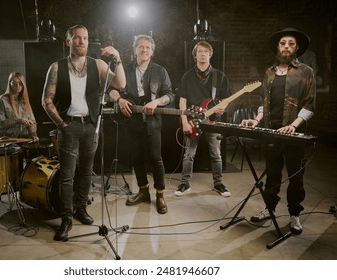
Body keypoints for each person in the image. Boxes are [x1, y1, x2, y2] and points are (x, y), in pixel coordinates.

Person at [42, 24, 126, 241]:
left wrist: (117, 58)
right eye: (77, 38)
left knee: (86, 172)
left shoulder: (96, 65)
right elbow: (46, 100)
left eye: (85, 38)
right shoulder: (57, 67)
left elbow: (120, 83)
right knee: (67, 175)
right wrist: (62, 125)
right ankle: (66, 218)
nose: (82, 42)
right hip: (68, 126)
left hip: (91, 126)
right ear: (68, 41)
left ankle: (80, 208)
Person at [241, 28, 316, 235]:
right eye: (283, 43)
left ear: (297, 47)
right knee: (272, 174)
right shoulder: (269, 72)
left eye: (291, 44)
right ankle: (270, 209)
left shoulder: (306, 72)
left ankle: (294, 215)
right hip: (271, 132)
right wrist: (256, 120)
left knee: (295, 177)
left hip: (294, 134)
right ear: (278, 46)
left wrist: (294, 125)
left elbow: (310, 104)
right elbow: (263, 102)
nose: (286, 47)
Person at [109, 34, 174, 214]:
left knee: (156, 159)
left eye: (148, 47)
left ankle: (160, 194)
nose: (144, 50)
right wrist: (120, 100)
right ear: (135, 49)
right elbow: (111, 90)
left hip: (152, 123)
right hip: (131, 121)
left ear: (152, 52)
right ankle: (143, 191)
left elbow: (170, 95)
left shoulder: (160, 71)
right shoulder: (125, 69)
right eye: (141, 46)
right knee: (136, 158)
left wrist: (156, 102)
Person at [176, 40, 231, 197]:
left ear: (210, 54)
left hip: (212, 121)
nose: (202, 54)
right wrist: (185, 121)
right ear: (195, 55)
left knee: (216, 154)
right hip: (192, 120)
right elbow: (182, 100)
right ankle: (185, 184)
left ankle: (219, 184)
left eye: (206, 51)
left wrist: (222, 107)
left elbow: (225, 99)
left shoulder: (219, 76)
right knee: (189, 155)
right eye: (199, 51)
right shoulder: (187, 76)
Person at [0, 72, 39, 141]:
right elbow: (1, 124)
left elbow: (32, 121)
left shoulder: (24, 101)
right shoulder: (2, 100)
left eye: (20, 83)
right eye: (14, 83)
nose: (17, 86)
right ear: (10, 83)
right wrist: (19, 121)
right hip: (4, 140)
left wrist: (33, 134)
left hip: (20, 138)